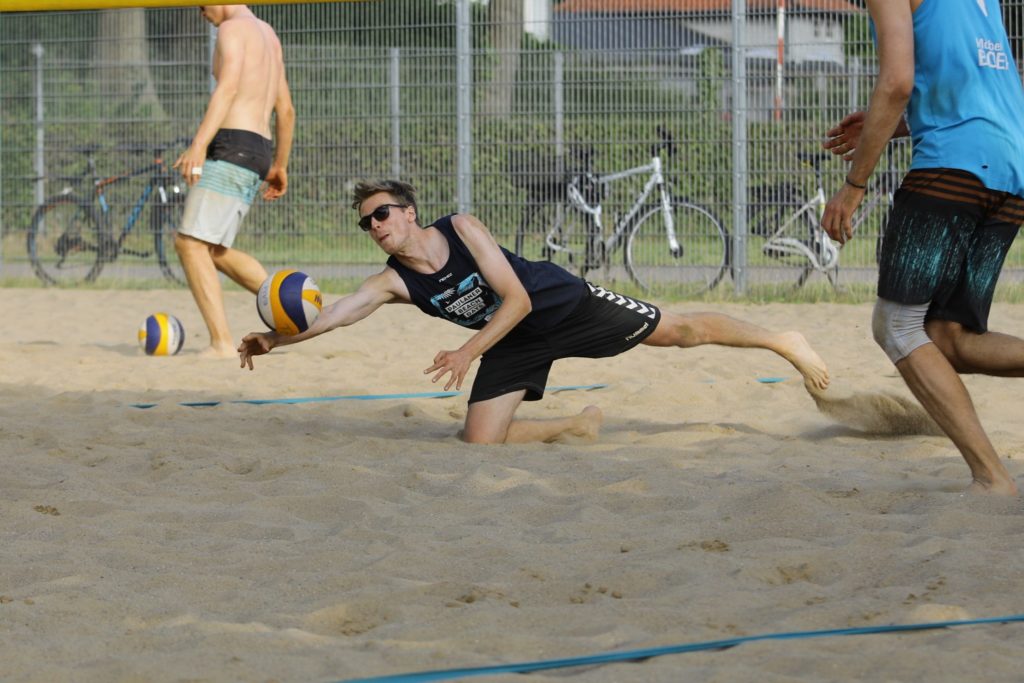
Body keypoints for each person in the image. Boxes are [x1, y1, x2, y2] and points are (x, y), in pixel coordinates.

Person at [238, 180, 830, 444]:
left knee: (681, 332)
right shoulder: (392, 281)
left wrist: (466, 351)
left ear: (409, 212)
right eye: (366, 222)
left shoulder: (461, 228)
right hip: (511, 339)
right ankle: (576, 425)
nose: (375, 226)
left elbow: (517, 298)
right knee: (479, 440)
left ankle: (783, 339)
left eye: (382, 213)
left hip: (558, 303)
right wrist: (275, 339)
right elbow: (336, 314)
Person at [820, 0, 1024, 495]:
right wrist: (895, 123)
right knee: (948, 337)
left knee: (896, 325)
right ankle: (991, 476)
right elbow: (975, 82)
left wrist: (854, 186)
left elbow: (897, 82)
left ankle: (992, 477)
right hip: (1011, 167)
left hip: (954, 166)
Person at [173, 4, 295, 358]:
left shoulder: (231, 30)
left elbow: (227, 88)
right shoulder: (268, 34)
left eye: (201, 4)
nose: (200, 11)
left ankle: (221, 344)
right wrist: (279, 165)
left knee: (190, 243)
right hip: (258, 150)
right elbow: (286, 110)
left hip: (232, 145)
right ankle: (295, 313)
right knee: (214, 250)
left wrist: (198, 145)